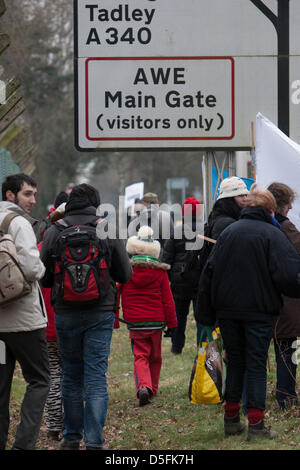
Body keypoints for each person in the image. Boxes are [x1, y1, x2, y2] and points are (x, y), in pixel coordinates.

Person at [196, 187, 300, 441]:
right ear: (269, 209)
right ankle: (256, 424)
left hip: (228, 312)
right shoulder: (272, 234)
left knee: (237, 364)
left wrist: (205, 315)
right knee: (255, 365)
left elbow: (208, 275)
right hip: (259, 312)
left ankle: (231, 420)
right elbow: (288, 275)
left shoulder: (229, 233)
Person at [40, 183, 132, 450]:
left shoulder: (54, 231)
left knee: (70, 375)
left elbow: (44, 279)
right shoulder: (107, 228)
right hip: (100, 313)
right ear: (96, 203)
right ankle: (94, 441)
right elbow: (125, 274)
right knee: (95, 376)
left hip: (65, 314)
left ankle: (71, 438)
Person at [0, 173, 50, 451]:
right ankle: (23, 445)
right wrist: (42, 270)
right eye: (27, 194)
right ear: (10, 195)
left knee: (0, 388)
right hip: (24, 323)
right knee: (39, 379)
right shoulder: (18, 222)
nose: (33, 200)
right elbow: (32, 269)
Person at [117, 226, 177, 406]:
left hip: (135, 322)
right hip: (156, 322)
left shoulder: (126, 271)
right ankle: (153, 388)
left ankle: (144, 386)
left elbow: (116, 293)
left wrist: (114, 317)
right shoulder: (160, 273)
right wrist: (172, 324)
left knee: (140, 355)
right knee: (156, 356)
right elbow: (168, 300)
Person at [267, 182, 300, 410]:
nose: (290, 206)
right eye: (288, 202)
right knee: (287, 351)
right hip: (287, 302)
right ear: (281, 204)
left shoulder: (262, 225)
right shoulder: (286, 228)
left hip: (264, 299)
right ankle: (286, 396)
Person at [162, 197, 204, 354]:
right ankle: (203, 347)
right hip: (200, 280)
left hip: (179, 280)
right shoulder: (205, 230)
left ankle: (176, 346)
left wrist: (167, 278)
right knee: (201, 316)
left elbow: (166, 258)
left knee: (179, 316)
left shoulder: (177, 231)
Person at [128, 192, 174, 257]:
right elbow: (171, 241)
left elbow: (131, 241)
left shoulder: (135, 218)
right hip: (159, 258)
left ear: (143, 203)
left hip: (139, 258)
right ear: (157, 203)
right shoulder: (166, 217)